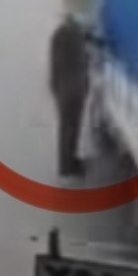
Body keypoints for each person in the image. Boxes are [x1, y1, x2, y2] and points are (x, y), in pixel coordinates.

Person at [49, 13, 92, 179]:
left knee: (67, 127)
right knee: (70, 128)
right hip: (71, 89)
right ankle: (68, 166)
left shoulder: (60, 34)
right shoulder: (72, 36)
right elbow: (81, 59)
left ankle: (68, 162)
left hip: (61, 86)